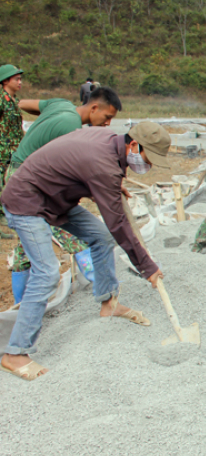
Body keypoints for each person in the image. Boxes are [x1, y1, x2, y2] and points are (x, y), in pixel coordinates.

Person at [0, 122, 169, 381]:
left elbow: (89, 170)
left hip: (55, 197)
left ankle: (108, 302)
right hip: (27, 200)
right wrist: (147, 266)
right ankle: (16, 353)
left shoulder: (110, 140)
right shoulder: (102, 165)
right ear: (134, 145)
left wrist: (112, 186)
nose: (149, 165)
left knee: (100, 238)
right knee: (47, 273)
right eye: (149, 158)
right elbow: (118, 225)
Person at [7, 87, 123, 301]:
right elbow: (69, 171)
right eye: (107, 117)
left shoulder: (61, 105)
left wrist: (42, 127)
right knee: (73, 231)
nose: (108, 123)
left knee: (25, 247)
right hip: (29, 184)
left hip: (15, 174)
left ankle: (19, 303)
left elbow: (23, 104)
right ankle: (97, 283)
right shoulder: (71, 128)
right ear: (94, 107)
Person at [0, 64, 24, 192]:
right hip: (2, 152)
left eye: (20, 79)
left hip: (14, 151)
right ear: (5, 81)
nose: (20, 82)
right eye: (16, 79)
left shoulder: (14, 101)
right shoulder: (1, 99)